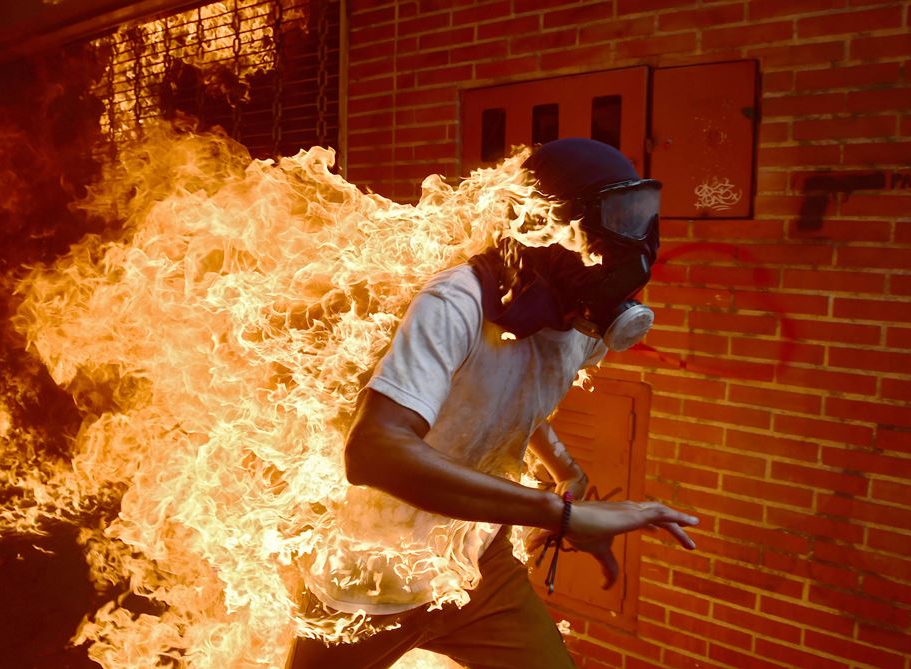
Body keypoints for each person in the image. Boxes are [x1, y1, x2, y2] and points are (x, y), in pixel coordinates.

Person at [287, 138, 699, 669]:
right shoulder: (455, 303)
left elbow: (512, 401)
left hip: (478, 565)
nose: (634, 241)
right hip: (370, 580)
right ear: (546, 223)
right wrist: (564, 514)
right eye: (618, 216)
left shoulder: (581, 323)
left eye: (642, 215)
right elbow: (374, 450)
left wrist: (566, 473)